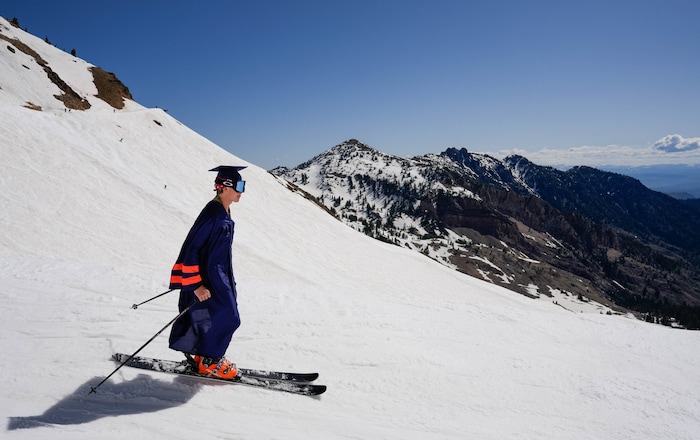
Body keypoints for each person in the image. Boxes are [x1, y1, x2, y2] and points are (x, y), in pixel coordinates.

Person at [168, 165, 247, 379]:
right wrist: (195, 285)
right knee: (229, 317)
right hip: (208, 278)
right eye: (239, 186)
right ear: (225, 187)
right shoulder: (213, 216)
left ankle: (204, 357)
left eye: (243, 186)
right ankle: (211, 362)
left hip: (219, 275)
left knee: (213, 316)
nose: (241, 191)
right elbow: (191, 249)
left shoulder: (222, 210)